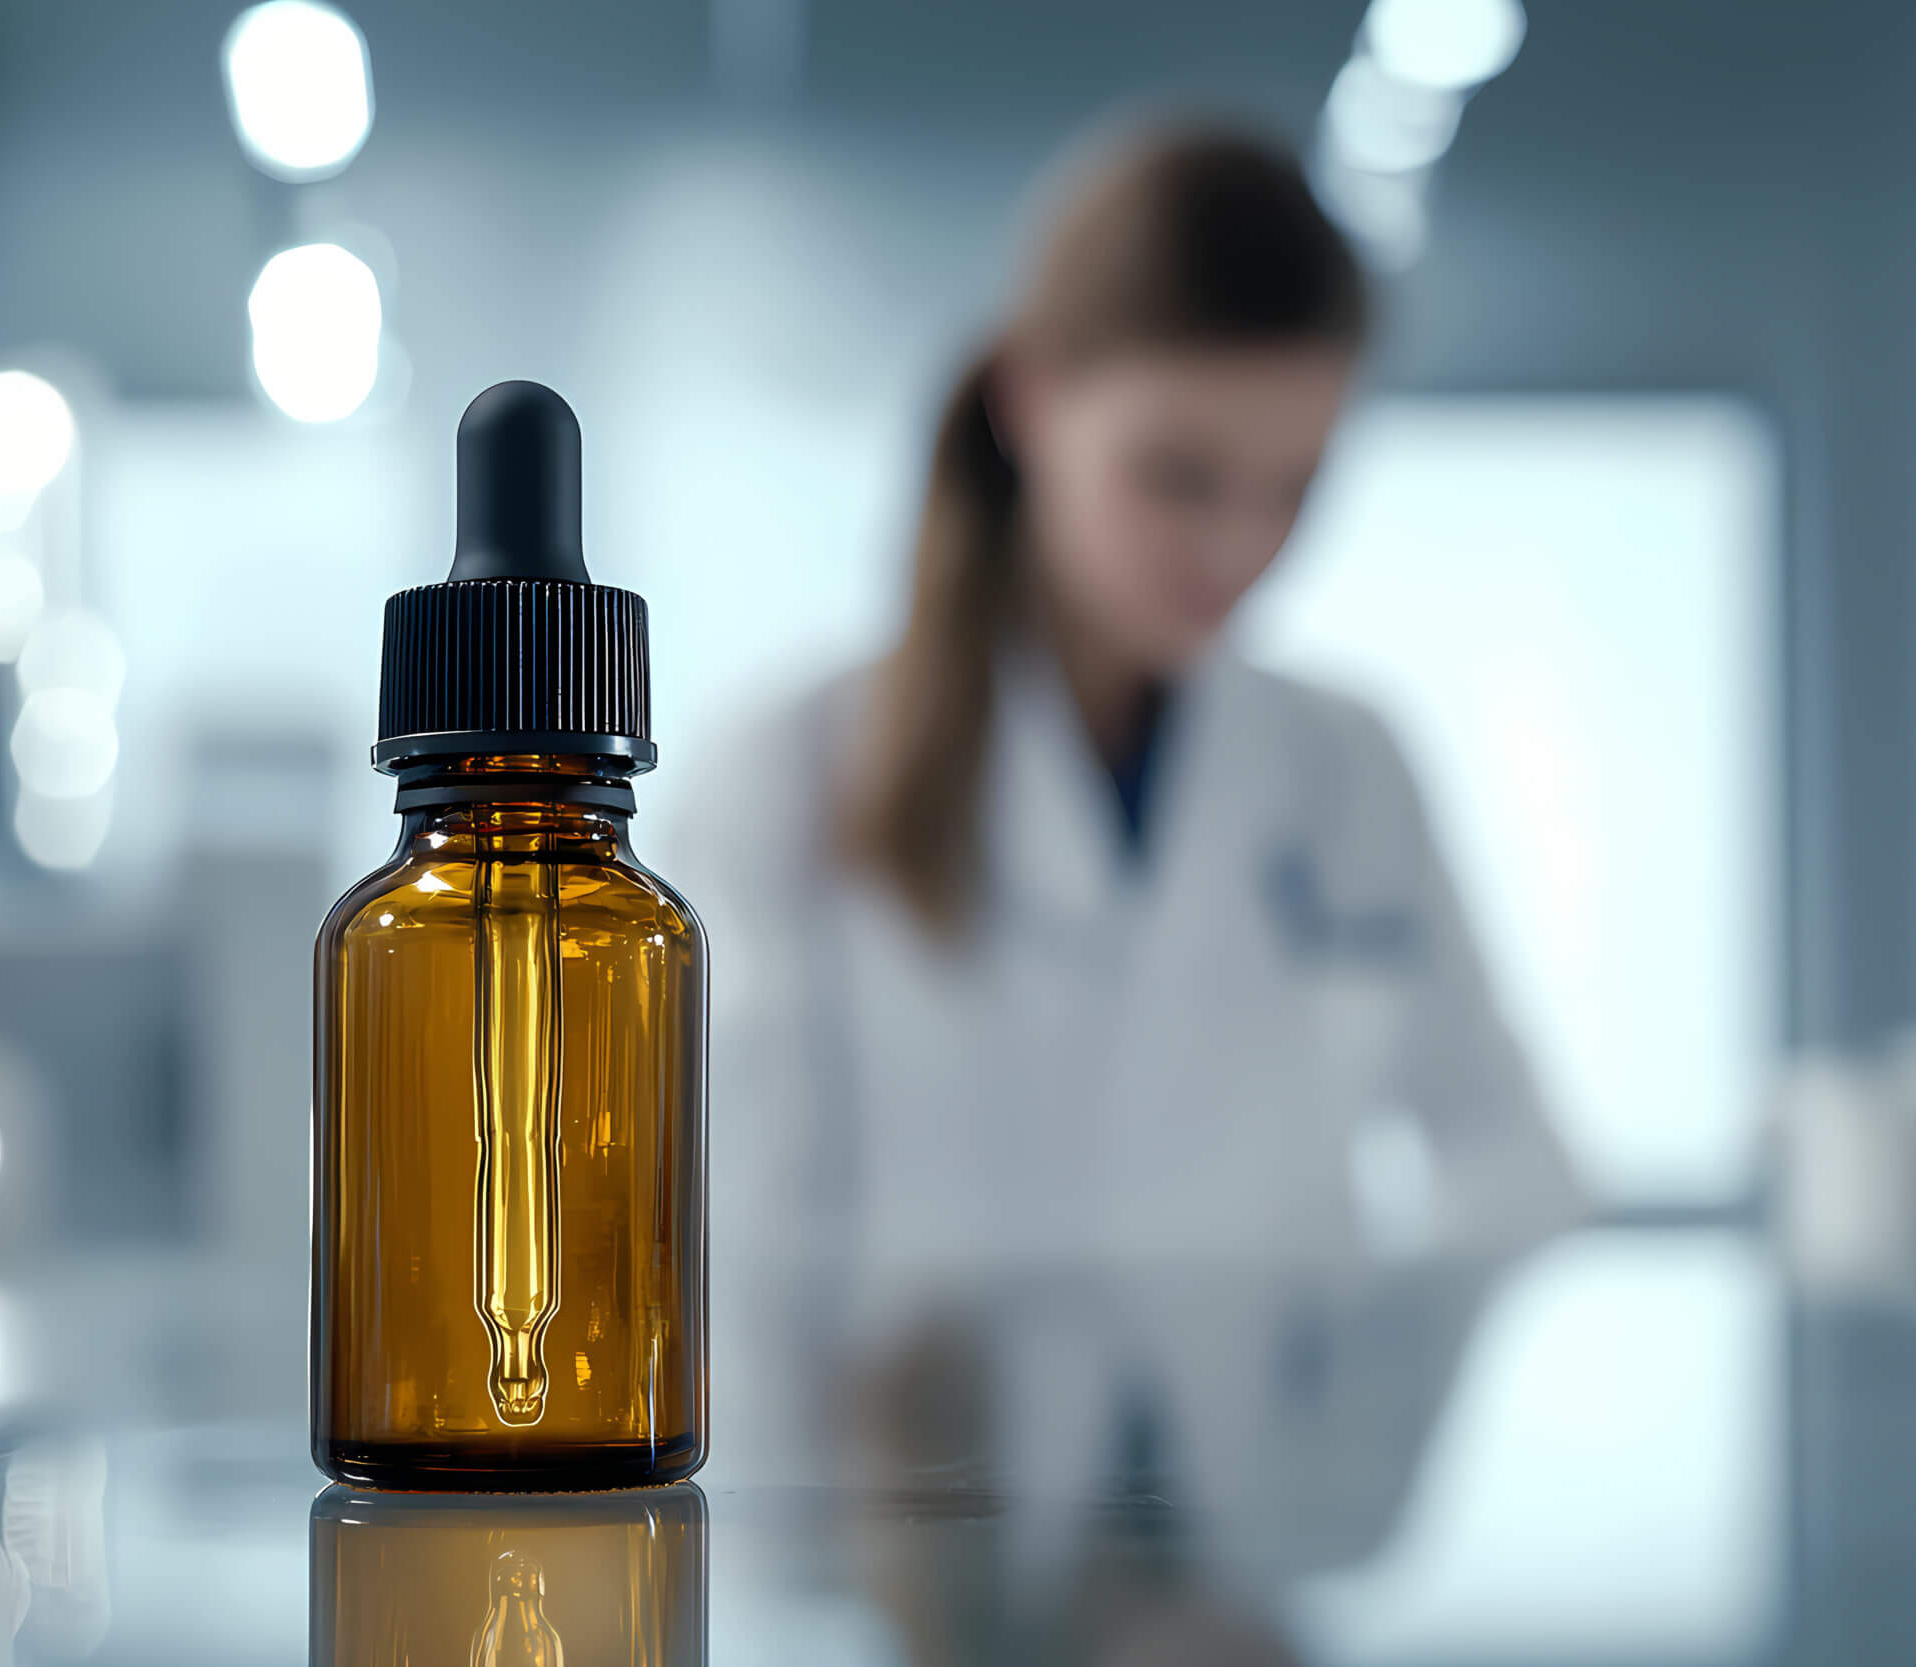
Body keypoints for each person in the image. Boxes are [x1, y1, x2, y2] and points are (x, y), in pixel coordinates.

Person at [676, 123, 1584, 1585]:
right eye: (1179, 475)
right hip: (925, 1536)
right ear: (1034, 403)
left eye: (1294, 488)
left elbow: (1519, 1162)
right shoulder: (787, 771)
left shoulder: (1351, 767)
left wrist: (1378, 1385)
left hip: (1264, 1505)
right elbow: (728, 1245)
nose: (1239, 545)